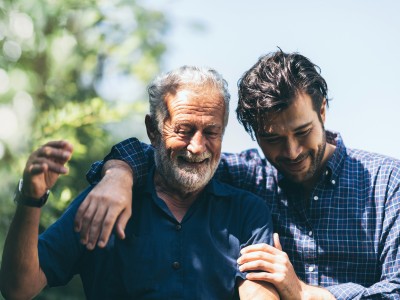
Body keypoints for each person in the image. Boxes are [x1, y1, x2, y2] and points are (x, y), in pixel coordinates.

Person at [74, 50, 400, 299]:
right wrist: (118, 174)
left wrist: (304, 293)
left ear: (323, 111)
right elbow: (168, 155)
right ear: (254, 134)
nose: (292, 152)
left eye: (303, 132)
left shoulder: (387, 184)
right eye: (273, 139)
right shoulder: (248, 177)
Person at [0, 66, 280, 299]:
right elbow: (18, 288)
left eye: (211, 132)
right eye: (183, 130)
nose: (197, 146)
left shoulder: (247, 212)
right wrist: (31, 198)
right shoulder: (103, 201)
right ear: (153, 131)